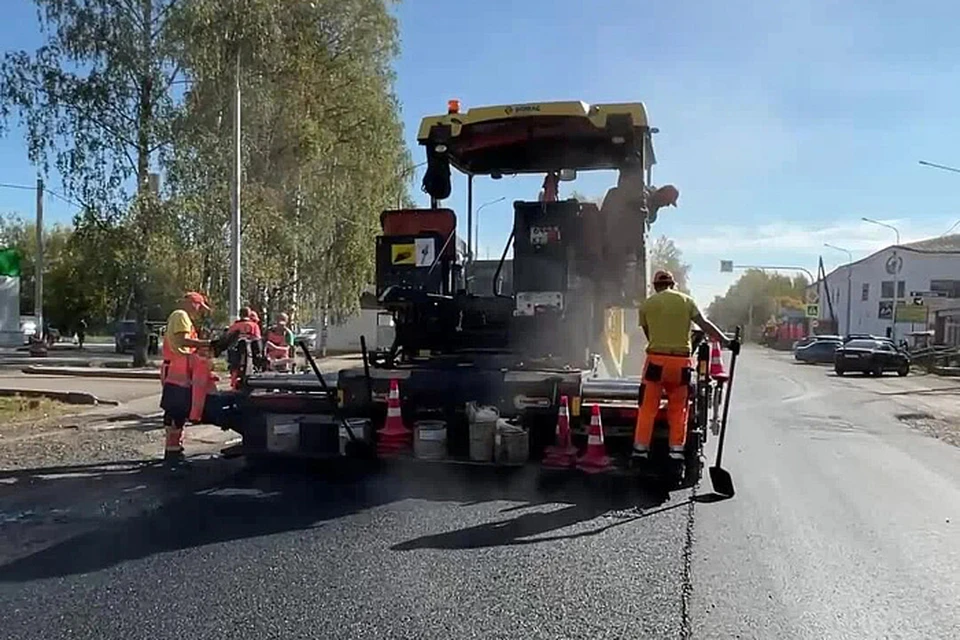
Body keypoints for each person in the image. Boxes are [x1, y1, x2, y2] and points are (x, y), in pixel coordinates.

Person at [633, 270, 737, 463]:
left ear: (655, 286)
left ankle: (640, 451)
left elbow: (650, 335)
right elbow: (704, 325)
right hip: (681, 363)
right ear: (673, 284)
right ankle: (676, 453)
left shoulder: (647, 305)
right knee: (679, 408)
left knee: (648, 408)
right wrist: (727, 342)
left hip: (656, 361)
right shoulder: (686, 301)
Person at [160, 292, 212, 465]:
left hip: (179, 371)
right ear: (191, 303)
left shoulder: (182, 317)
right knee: (175, 412)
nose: (199, 311)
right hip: (177, 372)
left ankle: (174, 449)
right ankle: (172, 453)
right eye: (199, 306)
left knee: (177, 412)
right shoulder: (181, 315)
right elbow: (183, 341)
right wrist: (206, 344)